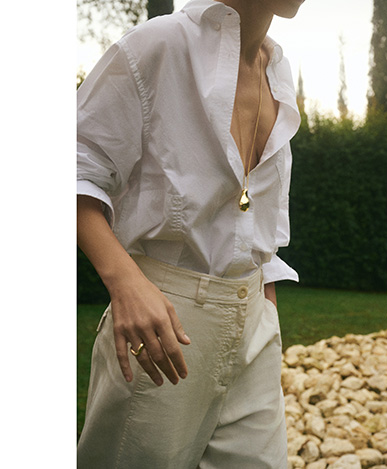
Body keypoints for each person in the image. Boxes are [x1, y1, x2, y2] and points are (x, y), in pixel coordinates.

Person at [77, 0, 305, 467]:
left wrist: (265, 313)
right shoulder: (158, 46)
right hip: (161, 326)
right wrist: (126, 283)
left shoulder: (277, 70)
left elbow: (255, 219)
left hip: (255, 326)